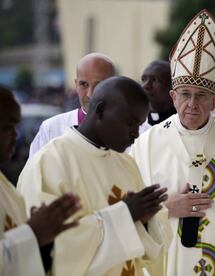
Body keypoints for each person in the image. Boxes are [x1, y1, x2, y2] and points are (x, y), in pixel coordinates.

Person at [131, 9, 215, 276]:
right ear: (173, 96)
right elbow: (128, 213)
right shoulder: (146, 146)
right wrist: (167, 208)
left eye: (202, 96)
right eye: (185, 94)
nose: (192, 104)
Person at [18, 77, 169, 275]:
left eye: (139, 125)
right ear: (100, 110)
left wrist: (146, 220)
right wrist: (125, 214)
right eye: (130, 123)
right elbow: (51, 246)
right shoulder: (49, 163)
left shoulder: (126, 164)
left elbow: (145, 253)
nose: (136, 134)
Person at [0, 86, 81, 275]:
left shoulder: (7, 190)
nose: (16, 135)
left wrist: (44, 242)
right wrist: (31, 234)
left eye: (16, 126)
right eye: (7, 127)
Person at [29, 53, 115, 157]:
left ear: (114, 85)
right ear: (76, 84)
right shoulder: (51, 129)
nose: (90, 94)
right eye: (84, 84)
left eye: (99, 85)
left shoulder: (133, 133)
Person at [139, 60, 176, 133]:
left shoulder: (182, 122)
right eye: (144, 79)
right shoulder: (135, 123)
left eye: (155, 80)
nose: (146, 86)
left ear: (172, 85)